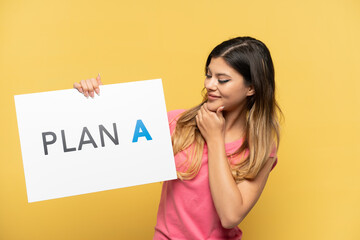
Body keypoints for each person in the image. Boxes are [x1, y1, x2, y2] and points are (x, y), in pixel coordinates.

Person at [73, 36, 282, 240]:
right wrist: (92, 100)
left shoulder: (260, 149)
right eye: (208, 75)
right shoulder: (177, 123)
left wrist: (215, 139)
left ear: (251, 87)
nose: (209, 84)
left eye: (223, 79)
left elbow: (230, 216)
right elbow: (109, 144)